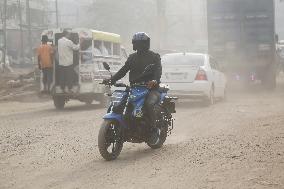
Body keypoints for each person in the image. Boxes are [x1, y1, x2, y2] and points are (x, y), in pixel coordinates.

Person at [105, 32, 162, 139]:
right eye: (136, 43)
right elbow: (123, 71)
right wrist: (112, 79)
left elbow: (158, 71)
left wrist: (154, 80)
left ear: (145, 44)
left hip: (151, 89)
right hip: (134, 88)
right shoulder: (132, 58)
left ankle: (154, 129)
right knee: (120, 103)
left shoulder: (154, 57)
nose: (137, 45)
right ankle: (126, 127)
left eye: (140, 43)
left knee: (149, 104)